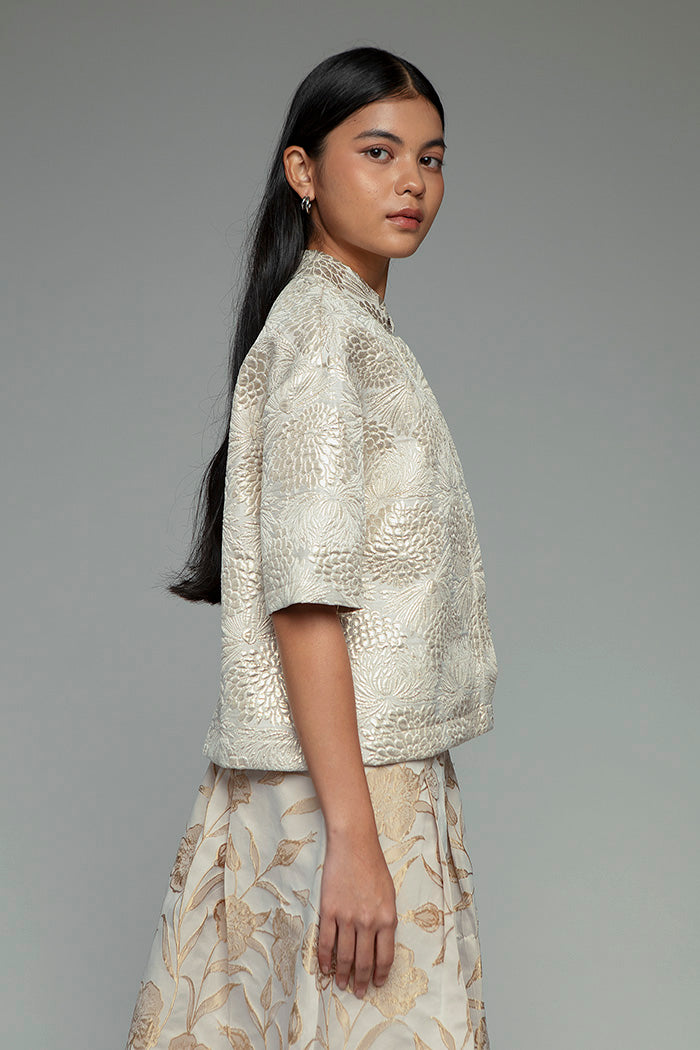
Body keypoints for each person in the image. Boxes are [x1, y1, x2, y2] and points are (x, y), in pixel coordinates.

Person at [125, 45, 497, 1050]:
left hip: (332, 778)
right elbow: (305, 601)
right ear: (303, 170)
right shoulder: (326, 335)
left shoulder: (342, 328)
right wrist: (356, 841)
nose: (412, 181)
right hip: (347, 786)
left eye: (430, 158)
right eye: (378, 152)